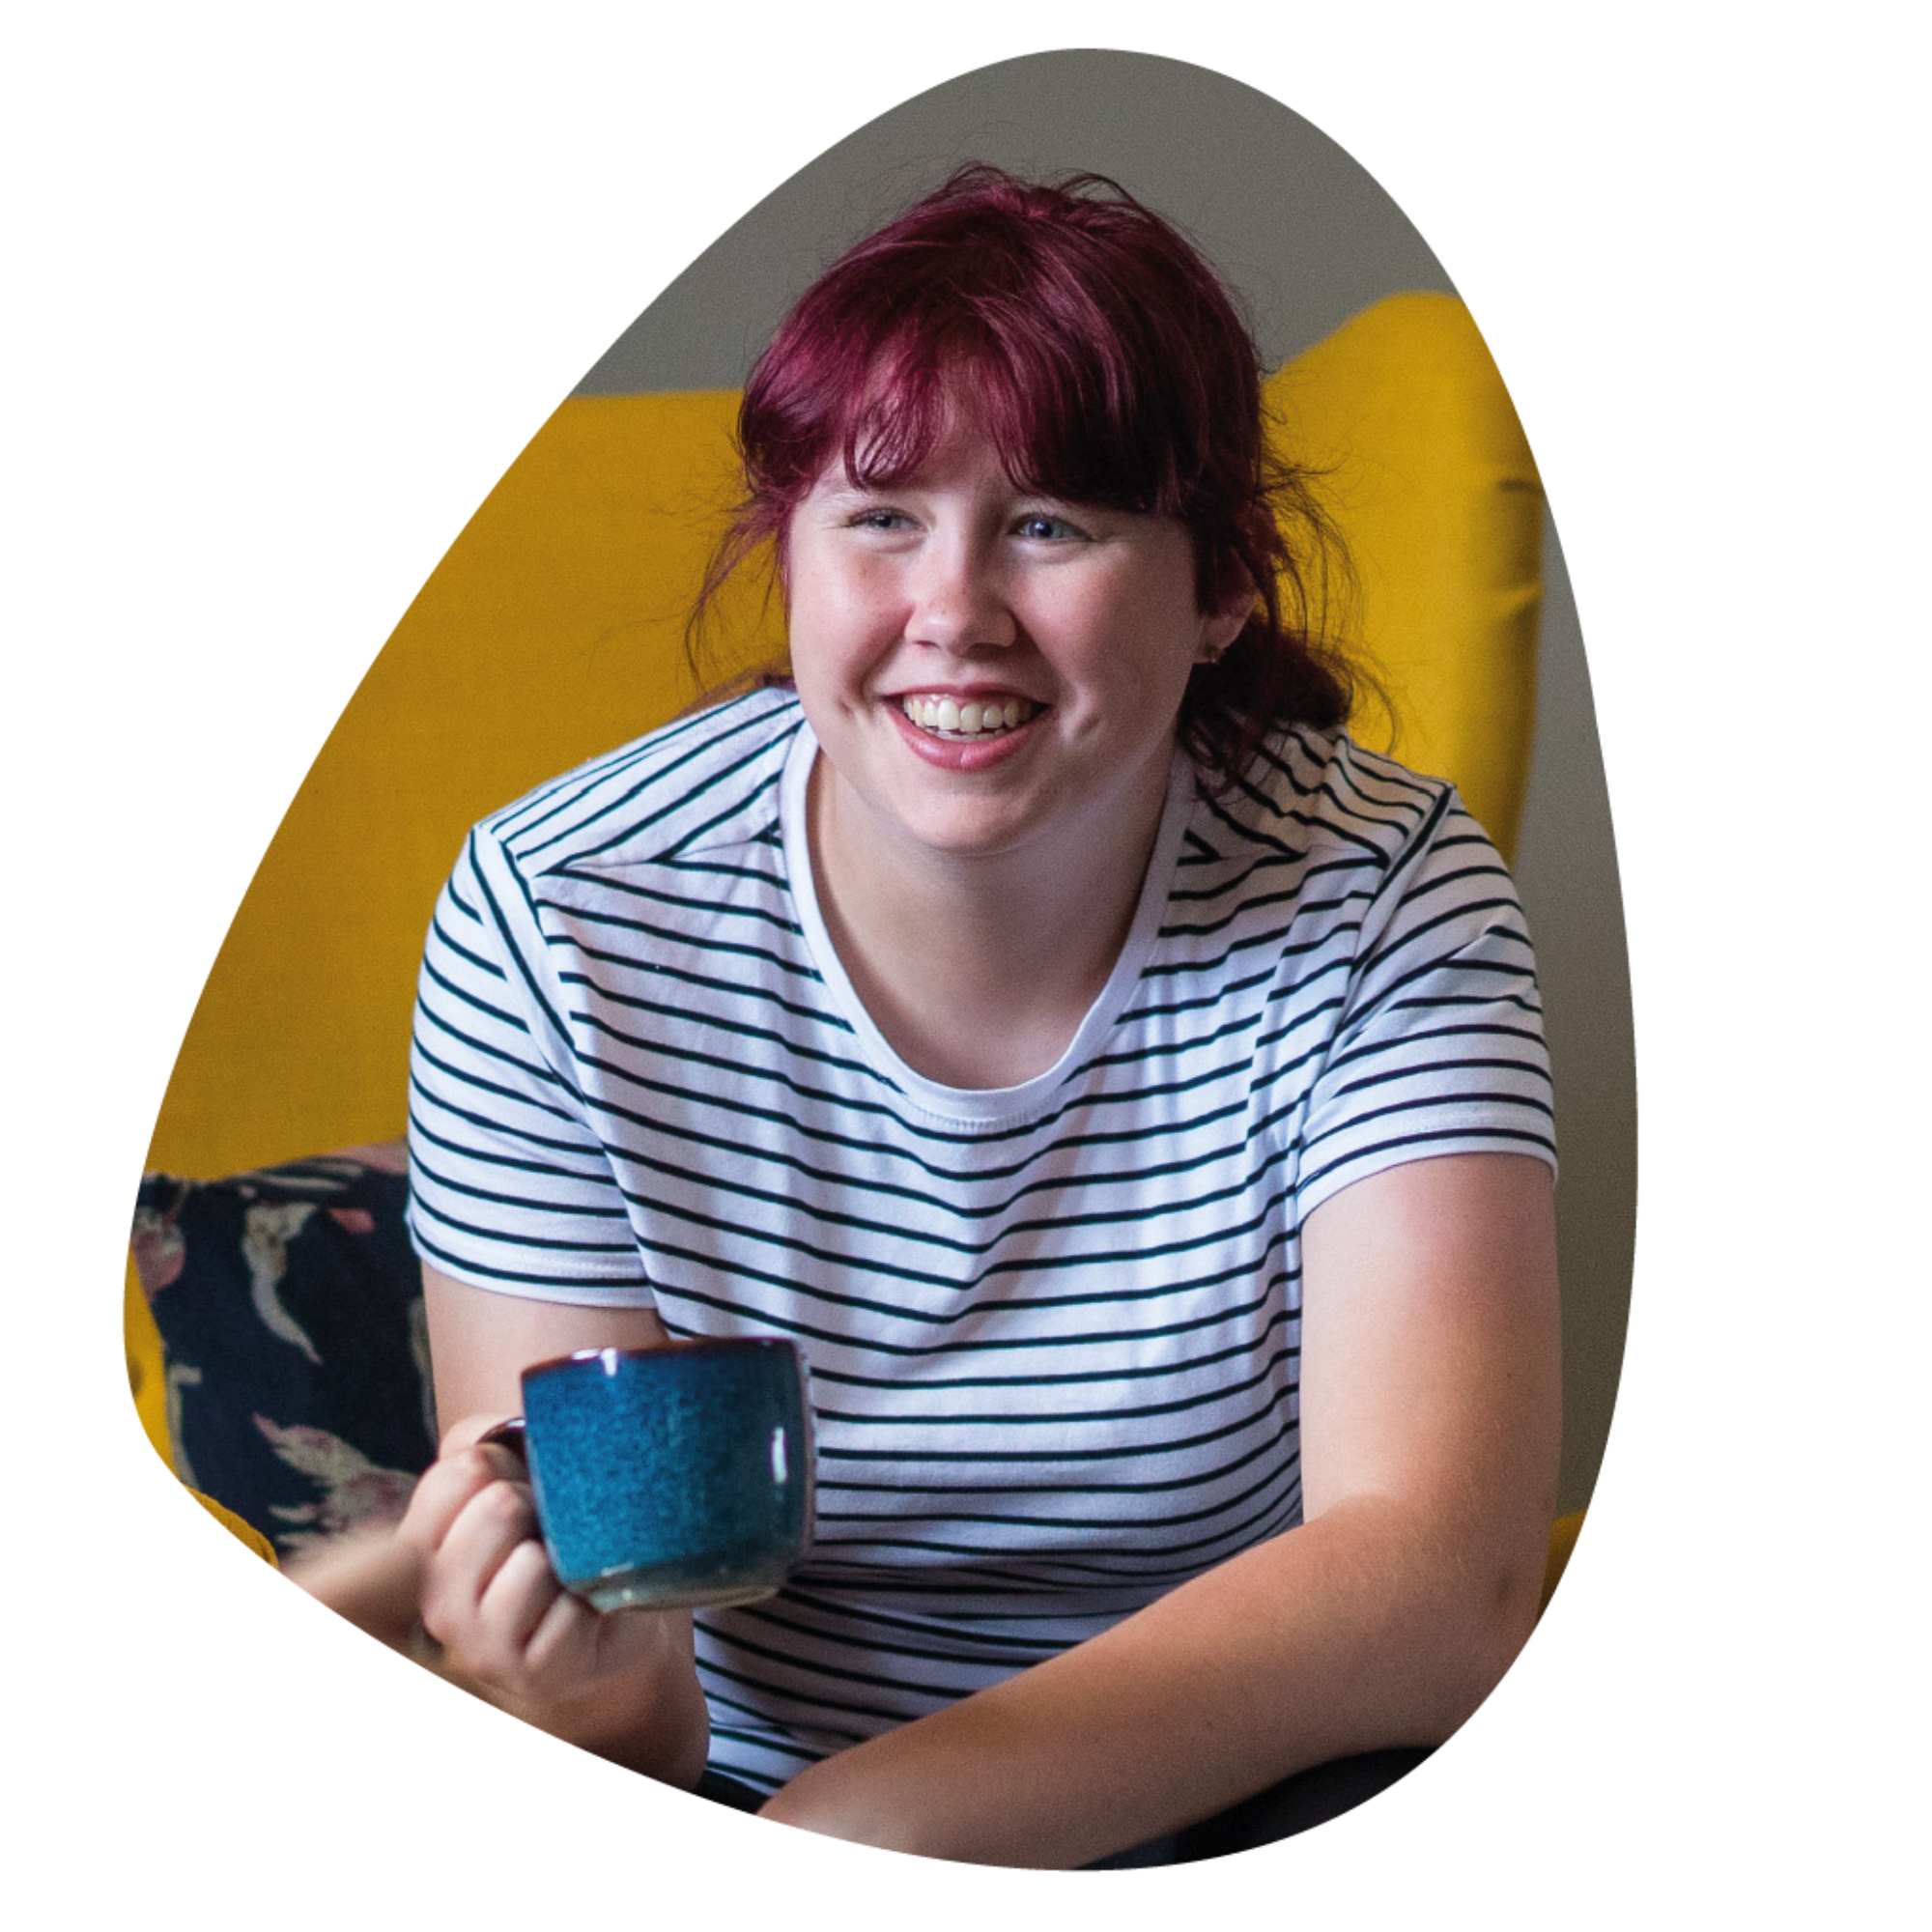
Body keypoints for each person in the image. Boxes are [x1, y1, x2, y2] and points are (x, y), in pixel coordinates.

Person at [394, 165, 1561, 1869]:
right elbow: (630, 1690)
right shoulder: (555, 918)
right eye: (879, 516)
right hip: (747, 1775)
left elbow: (1440, 1586)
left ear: (1220, 587)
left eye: (1052, 522)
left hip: (1242, 1771)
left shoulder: (1384, 894)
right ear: (788, 560)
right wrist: (590, 1687)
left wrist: (888, 1814)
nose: (953, 611)